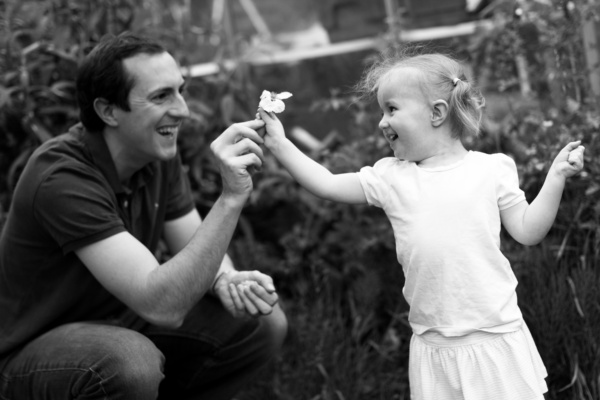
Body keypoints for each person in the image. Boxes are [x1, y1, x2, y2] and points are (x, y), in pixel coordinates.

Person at [258, 51, 585, 400]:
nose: (382, 122)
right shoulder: (391, 178)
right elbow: (325, 183)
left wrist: (557, 176)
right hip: (432, 343)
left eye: (392, 109)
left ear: (437, 112)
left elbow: (528, 230)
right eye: (381, 111)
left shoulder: (490, 170)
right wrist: (278, 142)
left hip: (492, 336)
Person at [0, 32, 287, 399]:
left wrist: (225, 280)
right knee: (129, 362)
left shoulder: (154, 154)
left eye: (180, 90)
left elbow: (193, 242)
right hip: (33, 351)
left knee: (259, 324)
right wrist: (231, 198)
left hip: (120, 320)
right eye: (161, 96)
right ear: (108, 111)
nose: (183, 110)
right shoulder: (61, 177)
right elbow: (162, 305)